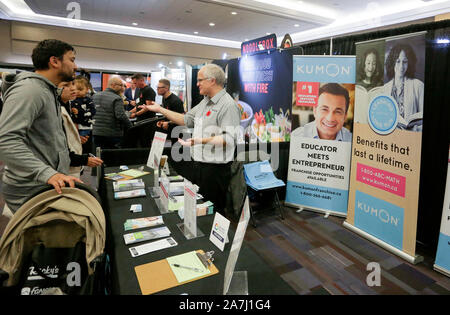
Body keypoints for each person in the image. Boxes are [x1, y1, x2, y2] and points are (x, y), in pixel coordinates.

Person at [139, 64, 240, 215]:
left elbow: (229, 139)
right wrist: (160, 109)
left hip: (214, 170)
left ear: (212, 80)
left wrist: (199, 140)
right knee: (198, 208)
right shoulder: (205, 101)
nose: (197, 83)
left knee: (212, 210)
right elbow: (186, 119)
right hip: (198, 165)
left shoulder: (228, 105)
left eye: (200, 80)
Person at [0, 39, 82, 213]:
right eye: (72, 60)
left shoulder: (47, 91)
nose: (75, 66)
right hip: (31, 188)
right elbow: (6, 140)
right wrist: (47, 173)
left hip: (45, 184)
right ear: (54, 61)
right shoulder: (30, 90)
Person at [383, 43, 424, 131]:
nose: (401, 66)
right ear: (392, 63)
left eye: (404, 61)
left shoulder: (418, 85)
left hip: (410, 138)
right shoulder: (384, 89)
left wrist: (415, 129)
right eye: (398, 61)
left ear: (409, 63)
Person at [92, 76, 132, 150]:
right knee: (111, 157)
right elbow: (120, 115)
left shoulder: (95, 96)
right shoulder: (117, 98)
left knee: (98, 155)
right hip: (111, 133)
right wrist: (130, 126)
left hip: (96, 132)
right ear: (113, 85)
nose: (122, 88)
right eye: (120, 85)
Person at [155, 78, 185, 144]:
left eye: (159, 87)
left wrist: (168, 123)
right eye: (157, 87)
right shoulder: (164, 98)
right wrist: (162, 121)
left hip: (177, 131)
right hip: (169, 129)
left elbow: (182, 118)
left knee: (175, 150)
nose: (157, 89)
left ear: (166, 88)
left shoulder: (176, 101)